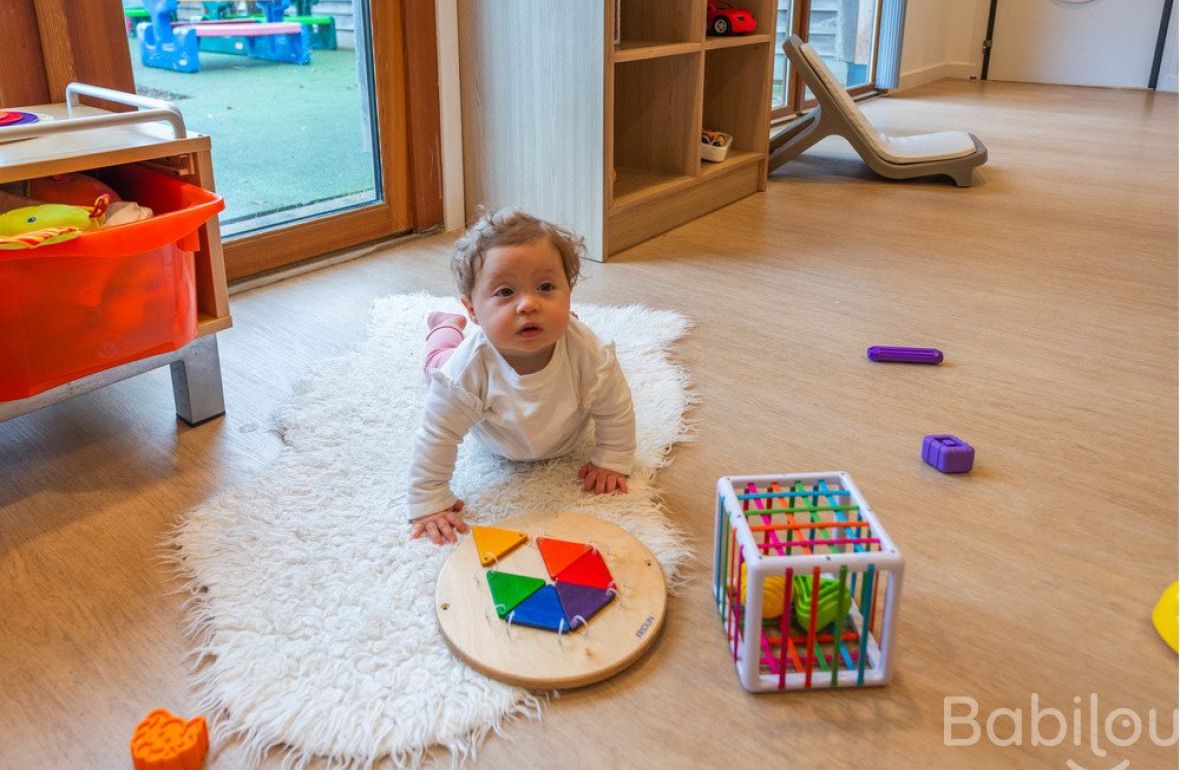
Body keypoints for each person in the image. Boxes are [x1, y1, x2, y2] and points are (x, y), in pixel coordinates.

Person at [408, 209, 635, 545]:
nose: (528, 303)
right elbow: (437, 434)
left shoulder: (590, 355)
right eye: (504, 293)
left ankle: (543, 311)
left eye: (545, 287)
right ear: (472, 310)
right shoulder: (466, 371)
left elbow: (616, 407)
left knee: (554, 325)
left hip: (560, 399)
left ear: (569, 291)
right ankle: (444, 325)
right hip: (471, 389)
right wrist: (428, 500)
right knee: (435, 367)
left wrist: (612, 460)